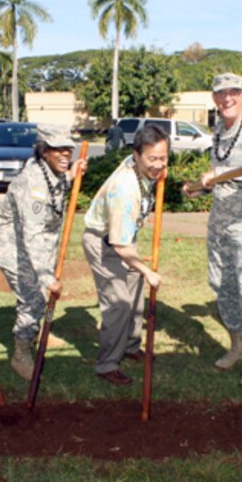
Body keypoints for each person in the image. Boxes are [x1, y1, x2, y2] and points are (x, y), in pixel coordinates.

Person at [183, 72, 242, 389]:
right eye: (221, 93)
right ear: (214, 98)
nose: (227, 98)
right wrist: (203, 188)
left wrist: (218, 175)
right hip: (222, 226)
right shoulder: (220, 130)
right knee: (223, 287)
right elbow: (221, 176)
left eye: (234, 92)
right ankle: (236, 347)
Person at [0, 125, 87, 380]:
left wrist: (72, 175)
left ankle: (38, 332)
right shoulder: (32, 184)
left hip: (34, 242)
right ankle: (21, 354)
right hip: (11, 245)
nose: (65, 154)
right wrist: (46, 276)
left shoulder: (52, 172)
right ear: (44, 152)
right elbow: (33, 234)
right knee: (34, 298)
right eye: (57, 150)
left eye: (68, 150)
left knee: (39, 293)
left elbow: (54, 190)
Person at [82, 125, 167, 385]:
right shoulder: (125, 190)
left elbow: (156, 171)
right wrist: (148, 271)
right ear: (137, 154)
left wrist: (159, 169)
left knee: (134, 296)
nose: (159, 165)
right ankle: (107, 364)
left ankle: (130, 346)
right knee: (119, 303)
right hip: (106, 244)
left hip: (123, 239)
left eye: (164, 158)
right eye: (152, 159)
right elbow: (119, 247)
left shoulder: (138, 166)